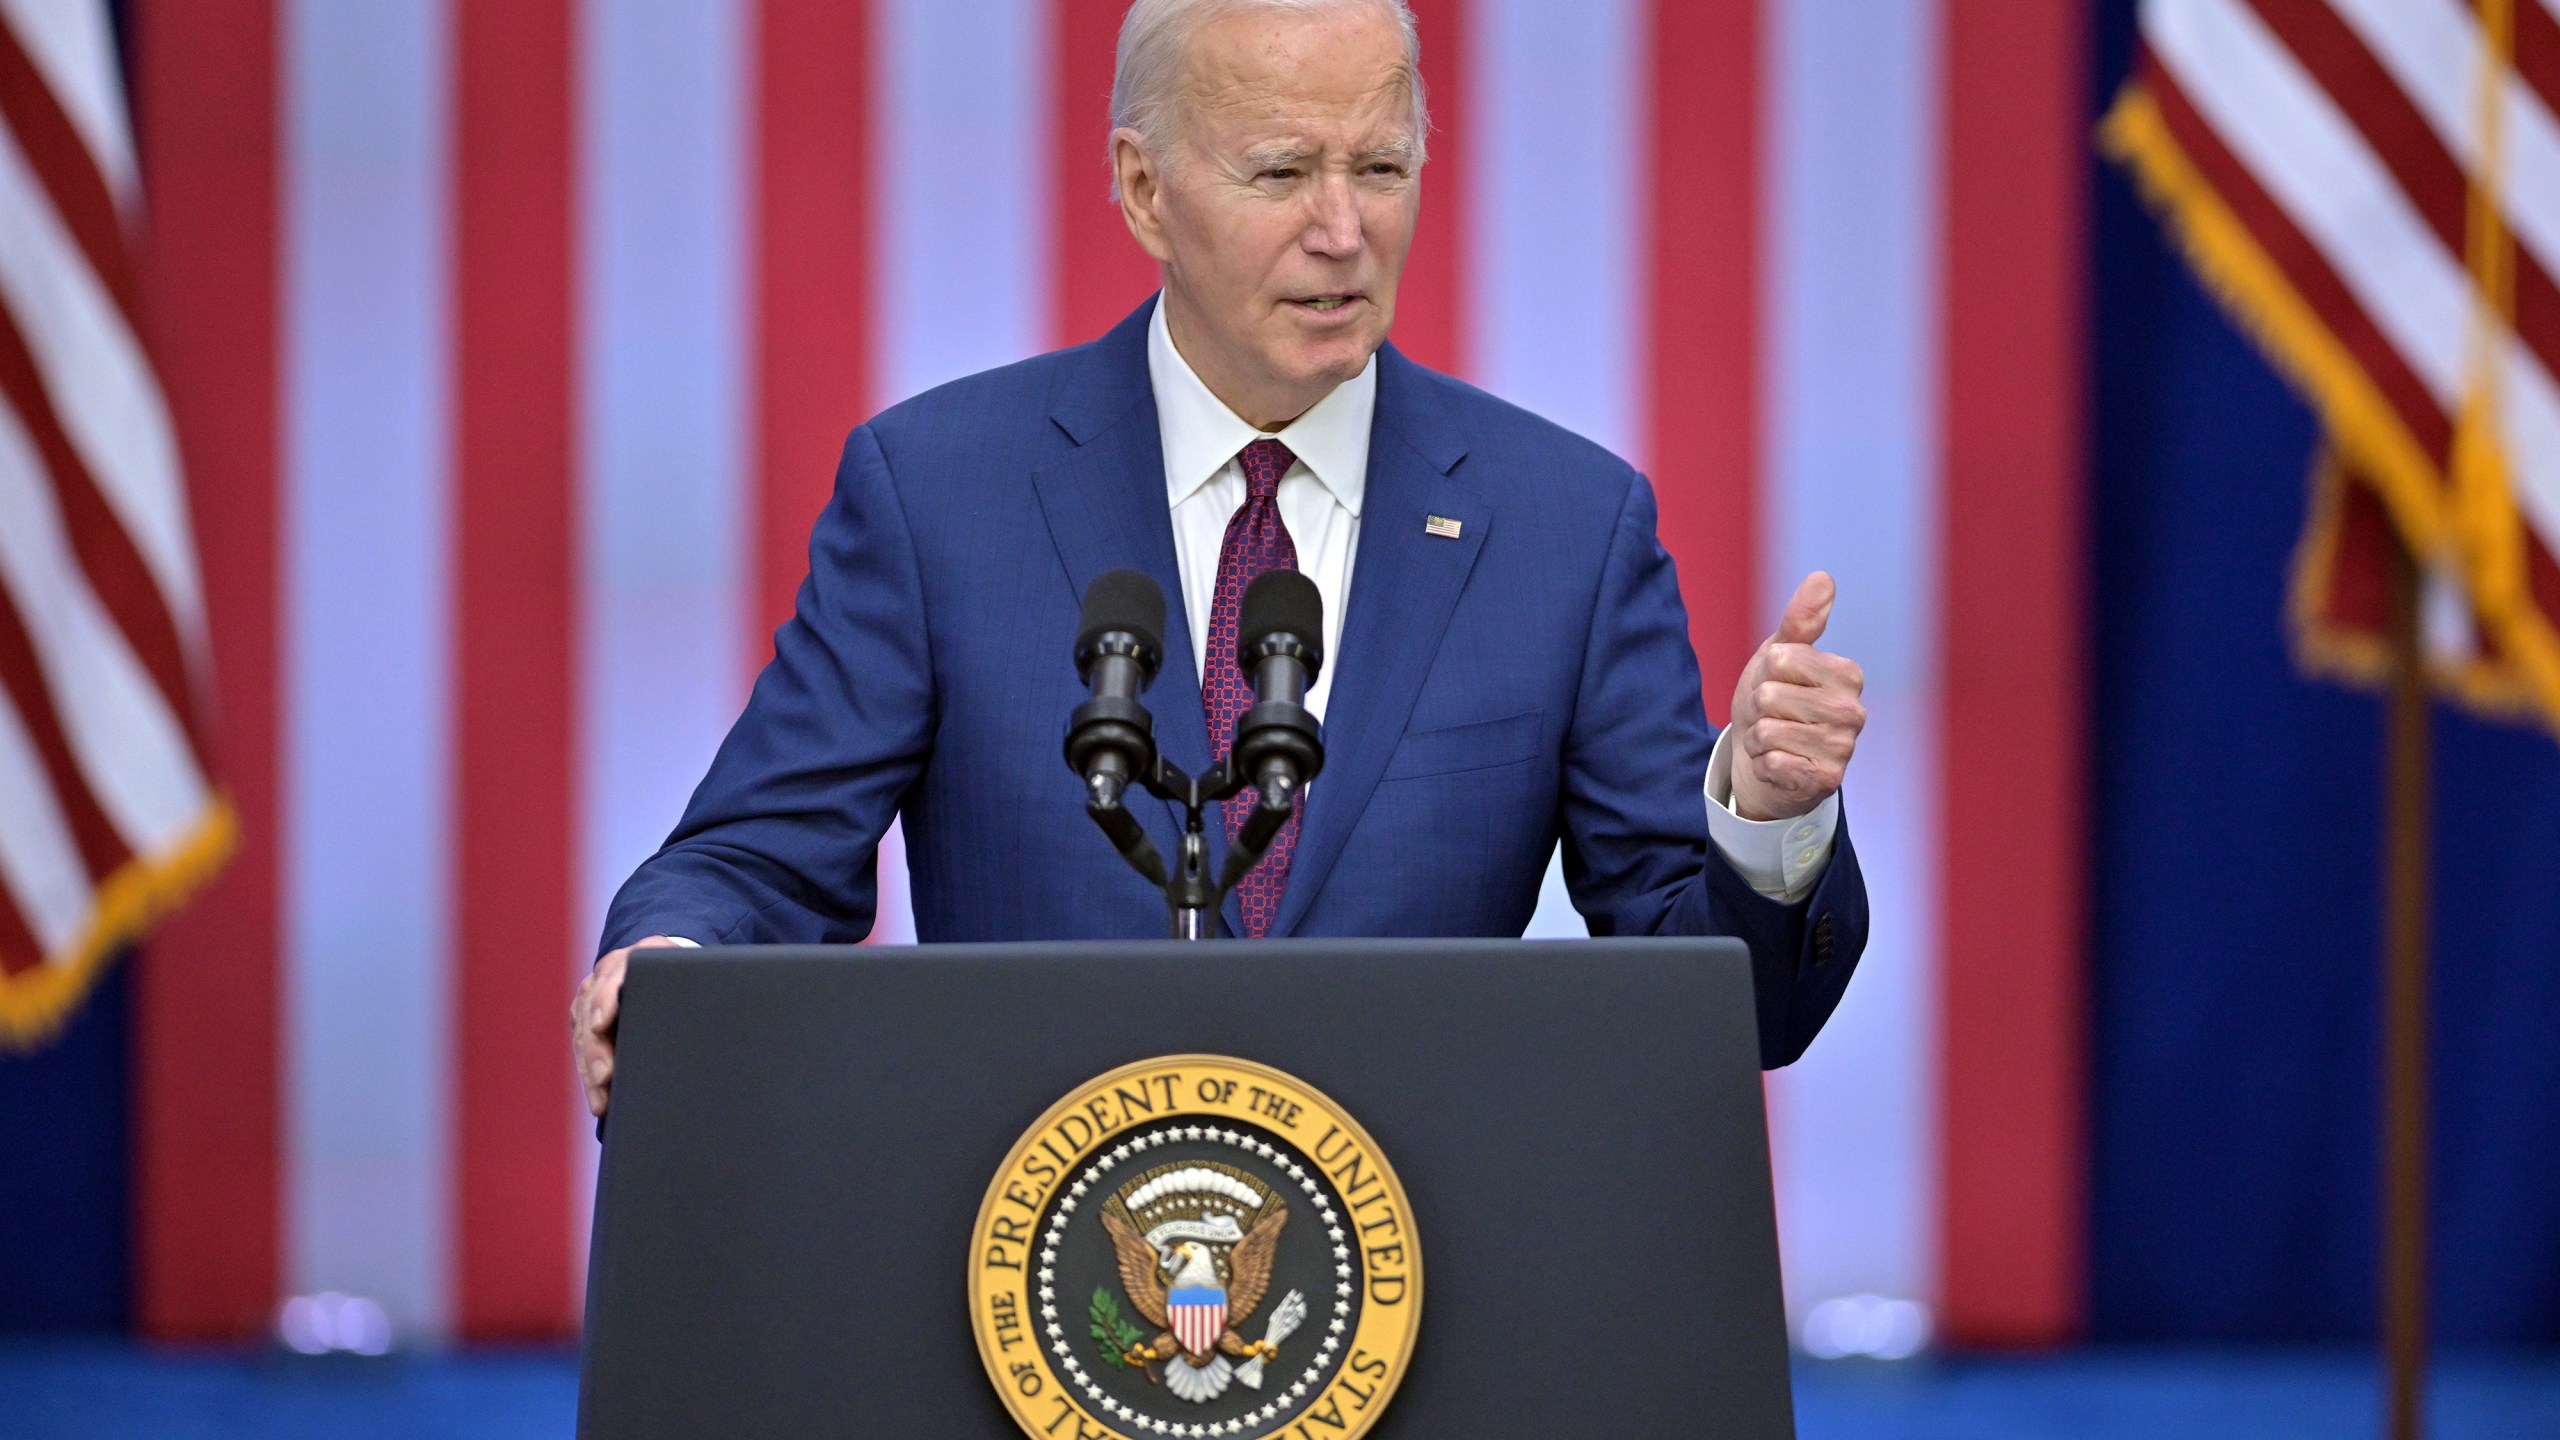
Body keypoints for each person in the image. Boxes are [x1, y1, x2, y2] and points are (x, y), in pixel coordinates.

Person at [572, 0, 1869, 1118]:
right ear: (1145, 189)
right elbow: (756, 858)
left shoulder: (1564, 526)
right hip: (1028, 1286)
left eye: (1381, 167)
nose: (1344, 229)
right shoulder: (939, 495)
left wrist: (1766, 818)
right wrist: (668, 964)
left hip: (1419, 1302)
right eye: (1281, 172)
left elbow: (1731, 1007)